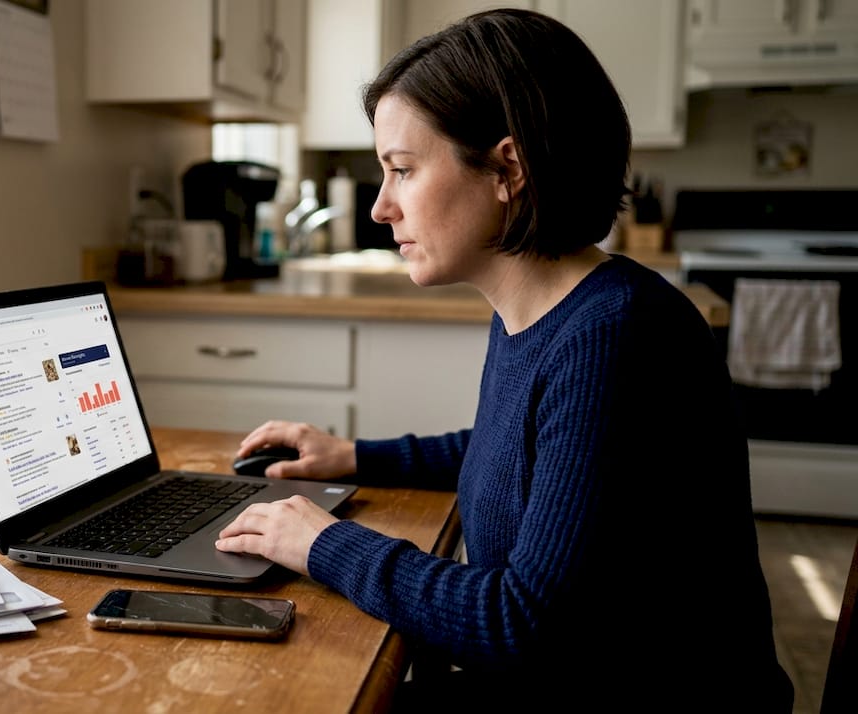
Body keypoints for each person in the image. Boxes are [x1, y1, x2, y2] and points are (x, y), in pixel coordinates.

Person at [214, 9, 793, 712]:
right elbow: (523, 455)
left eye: (402, 170)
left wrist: (328, 544)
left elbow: (521, 623)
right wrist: (354, 455)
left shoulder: (617, 335)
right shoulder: (555, 310)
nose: (381, 207)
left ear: (505, 170)